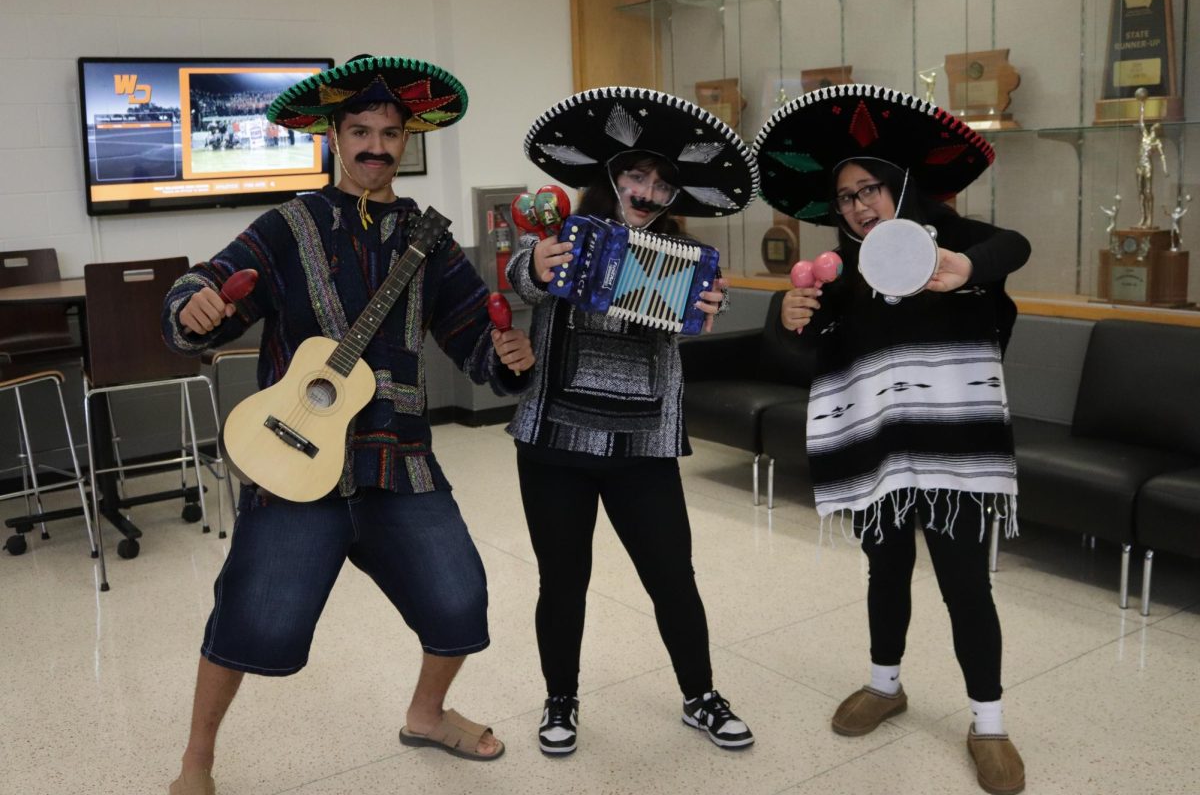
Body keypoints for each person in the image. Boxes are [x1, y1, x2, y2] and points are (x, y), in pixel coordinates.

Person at [160, 54, 534, 795]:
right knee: (249, 620)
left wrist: (509, 357)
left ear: (407, 142)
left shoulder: (429, 243)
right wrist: (193, 303)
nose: (375, 146)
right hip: (295, 467)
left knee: (460, 602)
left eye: (390, 133)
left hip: (400, 462)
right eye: (360, 130)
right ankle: (195, 762)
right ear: (334, 135)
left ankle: (426, 715)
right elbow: (207, 286)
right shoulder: (286, 226)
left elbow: (472, 339)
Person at [754, 85, 1031, 795]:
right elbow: (794, 351)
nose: (856, 207)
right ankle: (886, 685)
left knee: (967, 585)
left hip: (954, 450)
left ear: (900, 186)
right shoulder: (840, 274)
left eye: (868, 189)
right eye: (844, 198)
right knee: (885, 572)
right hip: (878, 452)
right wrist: (785, 315)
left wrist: (965, 270)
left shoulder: (948, 240)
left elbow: (1014, 246)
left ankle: (990, 723)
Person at [506, 86, 760, 755]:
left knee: (672, 575)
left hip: (643, 443)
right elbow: (519, 280)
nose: (646, 191)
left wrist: (709, 305)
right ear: (611, 177)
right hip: (554, 440)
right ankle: (560, 700)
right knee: (562, 581)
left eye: (662, 183)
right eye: (636, 175)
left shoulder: (688, 262)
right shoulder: (560, 236)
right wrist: (531, 265)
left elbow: (692, 320)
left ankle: (700, 695)